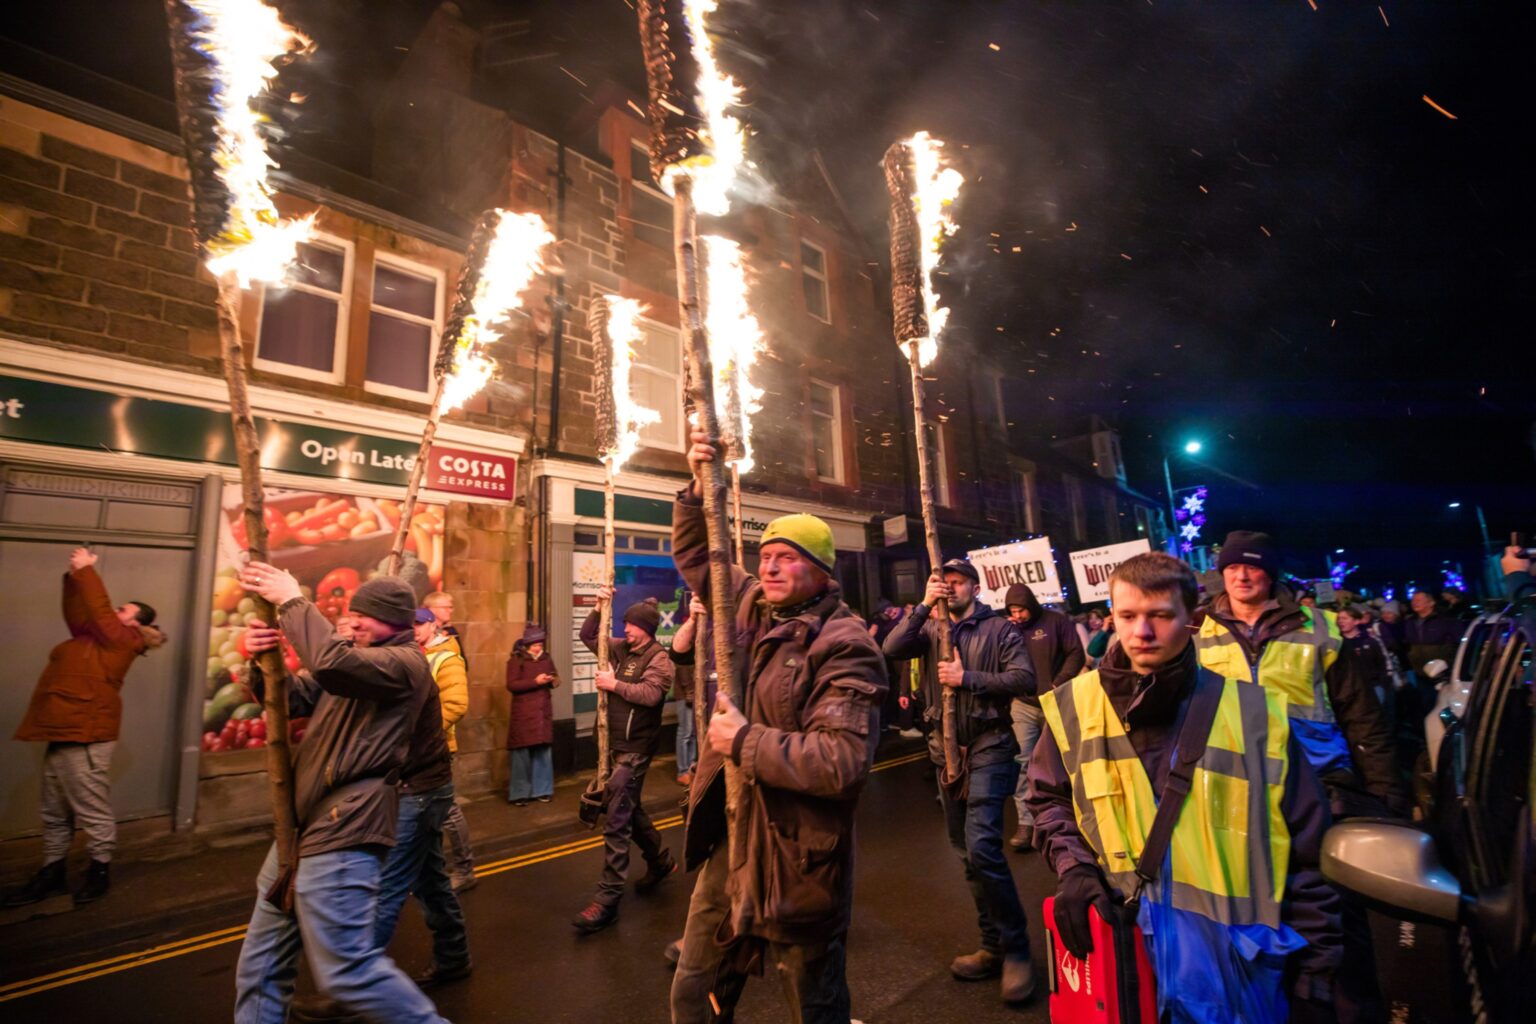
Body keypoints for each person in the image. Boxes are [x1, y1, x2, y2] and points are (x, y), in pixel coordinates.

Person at [1029, 553, 1343, 1024]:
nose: (1142, 632)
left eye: (1159, 615)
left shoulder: (1256, 715)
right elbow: (1049, 801)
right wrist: (1074, 867)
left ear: (1191, 617)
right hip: (1128, 971)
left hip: (1239, 978)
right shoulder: (1072, 706)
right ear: (1111, 615)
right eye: (1127, 616)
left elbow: (1309, 852)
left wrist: (1315, 976)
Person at [671, 429, 888, 1024]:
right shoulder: (749, 605)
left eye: (786, 557)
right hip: (734, 832)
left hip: (798, 853)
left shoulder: (846, 645)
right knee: (694, 988)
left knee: (810, 998)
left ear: (820, 570)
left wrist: (743, 741)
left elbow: (841, 762)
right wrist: (699, 487)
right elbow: (701, 557)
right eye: (765, 555)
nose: (769, 566)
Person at [1194, 531, 1405, 1023]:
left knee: (1336, 912)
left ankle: (1348, 1009)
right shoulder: (1196, 630)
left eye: (1253, 567)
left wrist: (1384, 793)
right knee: (1251, 912)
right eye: (1232, 568)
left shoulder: (1320, 628)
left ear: (1272, 574)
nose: (1242, 576)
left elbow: (1362, 717)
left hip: (1319, 789)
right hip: (1235, 793)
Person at [232, 566, 446, 1024]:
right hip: (301, 827)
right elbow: (292, 699)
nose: (353, 622)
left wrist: (293, 600)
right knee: (261, 964)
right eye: (352, 614)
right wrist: (262, 662)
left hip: (346, 824)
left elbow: (331, 663)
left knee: (348, 972)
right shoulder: (357, 661)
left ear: (394, 621)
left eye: (363, 616)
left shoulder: (405, 664)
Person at [883, 559, 1038, 1004]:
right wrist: (922, 606)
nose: (950, 588)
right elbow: (892, 647)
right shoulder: (932, 628)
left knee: (983, 846)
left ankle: (1017, 949)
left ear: (975, 586)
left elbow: (1024, 678)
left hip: (989, 744)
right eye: (943, 582)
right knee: (966, 854)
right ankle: (992, 946)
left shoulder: (1000, 629)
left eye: (957, 582)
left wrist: (966, 678)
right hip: (944, 751)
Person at [5, 547, 164, 908]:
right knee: (54, 809)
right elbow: (79, 612)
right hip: (63, 728)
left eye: (123, 610)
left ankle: (99, 870)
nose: (115, 612)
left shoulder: (124, 640)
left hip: (86, 733)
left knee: (91, 809)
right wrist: (74, 578)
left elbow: (101, 614)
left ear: (135, 624)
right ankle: (52, 872)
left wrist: (87, 571)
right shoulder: (93, 637)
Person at [574, 591, 677, 933]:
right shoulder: (621, 649)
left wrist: (613, 684)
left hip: (636, 749)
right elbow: (588, 636)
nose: (626, 629)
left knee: (617, 820)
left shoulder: (659, 659)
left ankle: (607, 900)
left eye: (631, 625)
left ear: (647, 628)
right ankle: (660, 862)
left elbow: (651, 695)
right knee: (629, 809)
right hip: (614, 746)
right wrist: (598, 607)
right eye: (625, 623)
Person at [1001, 583, 1084, 853]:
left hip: (1056, 703)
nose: (1018, 615)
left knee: (1064, 760)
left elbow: (1075, 653)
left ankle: (1076, 817)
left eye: (1021, 610)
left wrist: (1059, 682)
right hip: (1022, 705)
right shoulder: (1009, 629)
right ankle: (1026, 823)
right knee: (1023, 762)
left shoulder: (1056, 621)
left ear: (1031, 605)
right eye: (1013, 611)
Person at [414, 610, 475, 892]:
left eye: (419, 624)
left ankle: (464, 869)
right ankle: (431, 870)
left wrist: (425, 734)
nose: (413, 629)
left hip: (436, 746)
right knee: (423, 811)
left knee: (447, 810)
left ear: (433, 625)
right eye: (410, 624)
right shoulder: (416, 654)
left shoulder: (446, 657)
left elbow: (456, 705)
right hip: (413, 749)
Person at [504, 626, 557, 805]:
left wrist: (552, 680)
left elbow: (555, 677)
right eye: (535, 645)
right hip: (523, 714)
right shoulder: (516, 660)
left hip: (542, 713)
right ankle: (520, 793)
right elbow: (511, 685)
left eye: (540, 644)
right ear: (527, 645)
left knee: (542, 752)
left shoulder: (546, 658)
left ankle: (543, 790)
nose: (538, 648)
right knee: (521, 755)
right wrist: (535, 682)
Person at [668, 594, 709, 787]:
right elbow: (683, 667)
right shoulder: (688, 634)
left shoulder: (703, 633)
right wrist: (691, 694)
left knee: (692, 733)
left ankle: (692, 766)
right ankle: (682, 770)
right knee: (685, 732)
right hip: (686, 695)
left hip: (694, 695)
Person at [422, 592, 466, 673]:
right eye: (445, 607)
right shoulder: (422, 630)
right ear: (431, 609)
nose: (450, 611)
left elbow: (462, 659)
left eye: (451, 607)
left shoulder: (450, 630)